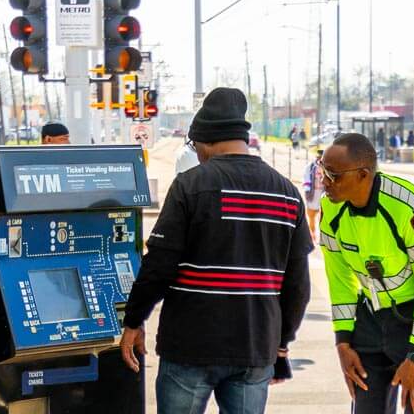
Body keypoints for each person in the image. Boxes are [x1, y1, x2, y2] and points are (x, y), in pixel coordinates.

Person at [119, 88, 312, 414]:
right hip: (255, 343)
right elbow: (297, 284)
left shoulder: (191, 185)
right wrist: (281, 343)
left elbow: (160, 265)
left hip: (191, 344)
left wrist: (134, 320)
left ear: (206, 140)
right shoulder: (287, 193)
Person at [318, 133, 414, 414]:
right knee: (366, 406)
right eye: (322, 171)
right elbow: (339, 279)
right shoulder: (331, 210)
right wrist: (343, 343)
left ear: (363, 175)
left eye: (332, 175)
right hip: (371, 316)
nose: (324, 182)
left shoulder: (405, 205)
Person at [303, 147, 324, 241]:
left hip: (323, 195)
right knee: (311, 216)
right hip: (313, 194)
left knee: (323, 217)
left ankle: (321, 236)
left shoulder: (327, 167)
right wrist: (307, 190)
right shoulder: (310, 167)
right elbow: (306, 178)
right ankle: (312, 234)